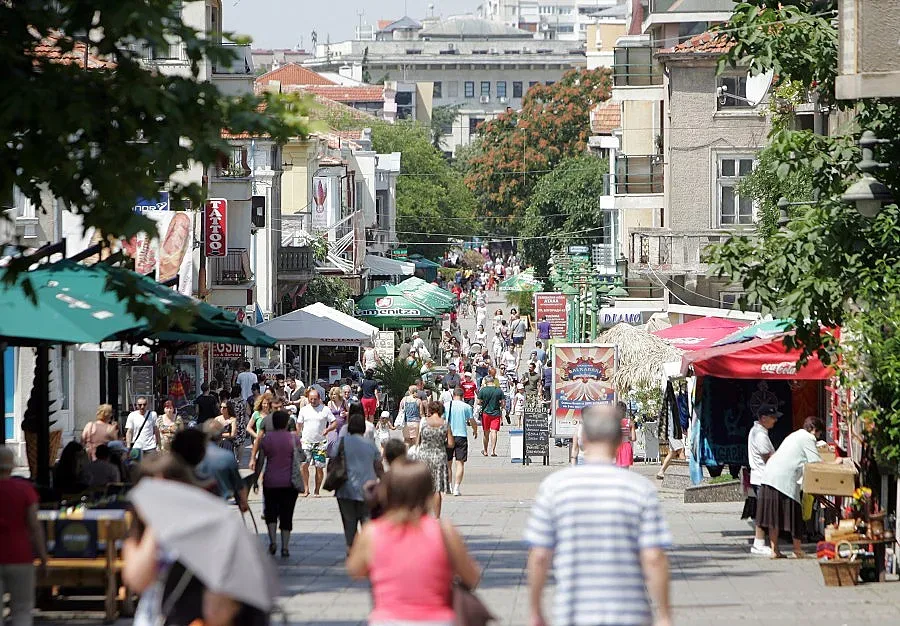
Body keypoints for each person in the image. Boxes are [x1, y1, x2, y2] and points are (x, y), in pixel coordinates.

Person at [525, 404, 673, 626]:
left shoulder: (555, 487)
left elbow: (539, 556)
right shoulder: (641, 489)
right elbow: (653, 557)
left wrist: (535, 610)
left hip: (573, 613)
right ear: (618, 440)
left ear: (583, 437)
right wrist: (664, 615)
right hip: (630, 613)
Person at [346, 460, 481, 625]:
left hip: (388, 620)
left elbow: (355, 570)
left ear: (387, 492)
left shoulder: (372, 532)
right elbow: (472, 577)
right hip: (437, 620)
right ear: (428, 493)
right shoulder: (444, 531)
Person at [756, 416, 825, 559]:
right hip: (784, 480)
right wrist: (835, 463)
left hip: (769, 476)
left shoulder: (795, 435)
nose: (818, 438)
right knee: (794, 515)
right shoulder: (808, 437)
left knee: (773, 516)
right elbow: (815, 462)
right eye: (819, 434)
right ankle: (797, 550)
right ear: (813, 430)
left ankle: (775, 550)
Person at [0, 446, 48, 626]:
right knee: (22, 611)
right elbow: (34, 526)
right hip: (20, 556)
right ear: (12, 466)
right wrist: (43, 557)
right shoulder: (25, 490)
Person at [251, 410, 300, 557]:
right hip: (289, 482)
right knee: (287, 514)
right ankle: (285, 546)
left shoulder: (267, 439)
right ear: (286, 423)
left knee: (271, 513)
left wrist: (255, 479)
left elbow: (260, 461)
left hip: (270, 481)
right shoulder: (293, 438)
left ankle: (273, 541)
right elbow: (300, 456)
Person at [335, 413, 384, 549]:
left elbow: (333, 461)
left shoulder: (342, 442)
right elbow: (378, 466)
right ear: (363, 428)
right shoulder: (370, 445)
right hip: (367, 490)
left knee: (349, 523)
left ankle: (351, 549)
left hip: (345, 489)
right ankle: (367, 551)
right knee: (367, 522)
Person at [746, 409, 778, 556]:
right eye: (772, 418)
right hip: (763, 477)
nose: (775, 421)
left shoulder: (757, 432)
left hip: (760, 477)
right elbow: (768, 458)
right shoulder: (760, 435)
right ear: (763, 418)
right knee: (765, 512)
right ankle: (758, 543)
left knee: (763, 511)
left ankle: (759, 543)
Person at [414, 401, 453, 518]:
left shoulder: (424, 423)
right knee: (437, 489)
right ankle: (436, 517)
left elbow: (418, 441)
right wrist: (441, 443)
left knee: (423, 488)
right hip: (439, 456)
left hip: (424, 456)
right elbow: (451, 444)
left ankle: (423, 516)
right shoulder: (445, 424)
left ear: (430, 410)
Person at [296, 388, 334, 497]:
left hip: (320, 443)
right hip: (306, 442)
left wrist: (328, 430)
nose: (313, 401)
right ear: (308, 399)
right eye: (311, 399)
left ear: (319, 399)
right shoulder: (304, 410)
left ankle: (317, 490)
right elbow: (299, 424)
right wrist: (296, 437)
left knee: (319, 467)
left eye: (315, 399)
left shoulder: (325, 409)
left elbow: (334, 422)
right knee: (303, 465)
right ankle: (306, 489)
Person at [445, 387, 479, 497]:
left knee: (448, 463)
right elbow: (472, 420)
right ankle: (456, 488)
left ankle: (449, 486)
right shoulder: (466, 407)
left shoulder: (446, 405)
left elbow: (442, 420)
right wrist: (475, 430)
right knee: (460, 463)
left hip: (448, 436)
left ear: (453, 395)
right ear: (462, 395)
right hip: (461, 435)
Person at [476, 375, 505, 457]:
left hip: (486, 413)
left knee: (486, 432)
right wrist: (500, 406)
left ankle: (485, 451)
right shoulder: (499, 390)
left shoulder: (483, 390)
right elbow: (503, 403)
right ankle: (493, 451)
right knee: (494, 432)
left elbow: (478, 402)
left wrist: (484, 403)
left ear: (486, 381)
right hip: (496, 413)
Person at [125, 397, 159, 461]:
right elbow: (129, 432)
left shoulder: (153, 414)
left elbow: (156, 430)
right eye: (140, 405)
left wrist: (158, 445)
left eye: (144, 404)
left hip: (150, 447)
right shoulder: (132, 415)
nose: (142, 407)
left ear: (147, 405)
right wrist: (128, 446)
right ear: (137, 405)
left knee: (151, 468)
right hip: (137, 446)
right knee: (136, 468)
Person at [229, 387, 249, 465]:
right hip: (241, 424)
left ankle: (232, 459)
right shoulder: (244, 402)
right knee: (240, 443)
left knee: (231, 443)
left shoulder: (229, 402)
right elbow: (248, 412)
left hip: (231, 424)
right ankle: (239, 461)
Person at [616, 401, 636, 468]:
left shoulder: (614, 422)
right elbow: (634, 438)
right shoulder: (630, 422)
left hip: (616, 447)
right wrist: (628, 437)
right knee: (625, 471)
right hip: (626, 447)